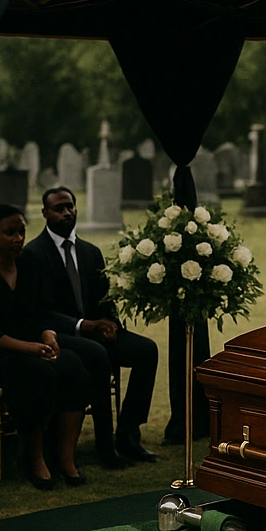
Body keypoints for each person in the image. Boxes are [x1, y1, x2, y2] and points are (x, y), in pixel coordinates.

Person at [24, 186, 159, 465]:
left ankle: (128, 435)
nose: (66, 212)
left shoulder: (90, 252)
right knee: (96, 357)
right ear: (45, 212)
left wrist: (111, 323)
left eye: (70, 206)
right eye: (59, 208)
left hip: (97, 330)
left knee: (147, 350)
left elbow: (104, 299)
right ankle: (105, 446)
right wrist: (83, 325)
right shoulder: (33, 255)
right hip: (61, 336)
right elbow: (40, 311)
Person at [0, 205, 91, 488]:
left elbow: (42, 313)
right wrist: (31, 348)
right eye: (10, 233)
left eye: (21, 231)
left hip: (32, 346)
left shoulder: (31, 265)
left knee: (73, 367)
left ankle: (66, 457)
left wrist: (48, 337)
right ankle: (35, 457)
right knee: (39, 374)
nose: (18, 238)